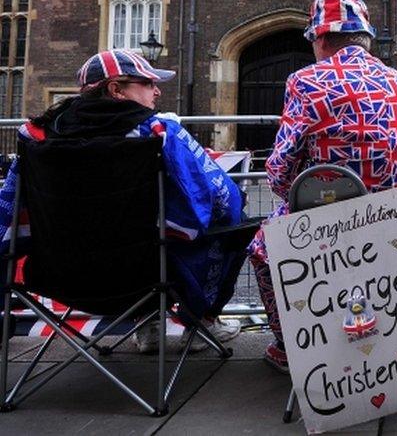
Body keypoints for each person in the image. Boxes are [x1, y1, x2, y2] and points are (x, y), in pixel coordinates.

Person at [0, 49, 246, 352]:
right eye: (146, 83)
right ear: (116, 89)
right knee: (232, 225)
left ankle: (150, 325)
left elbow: (6, 214)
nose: (156, 91)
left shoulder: (36, 137)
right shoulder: (158, 131)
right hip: (146, 276)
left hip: (58, 277)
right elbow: (224, 200)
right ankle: (202, 322)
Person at [250, 0, 397, 372]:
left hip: (320, 232)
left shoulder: (306, 82)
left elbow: (281, 168)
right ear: (366, 39)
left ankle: (291, 347)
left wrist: (298, 199)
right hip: (391, 230)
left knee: (262, 250)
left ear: (320, 40)